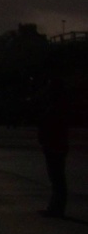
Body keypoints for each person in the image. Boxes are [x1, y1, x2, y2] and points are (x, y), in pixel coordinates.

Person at [37, 79, 70, 217]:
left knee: (57, 178)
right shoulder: (60, 108)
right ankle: (56, 207)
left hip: (54, 146)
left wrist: (45, 141)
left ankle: (56, 209)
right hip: (57, 145)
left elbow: (50, 127)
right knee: (57, 178)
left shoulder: (55, 109)